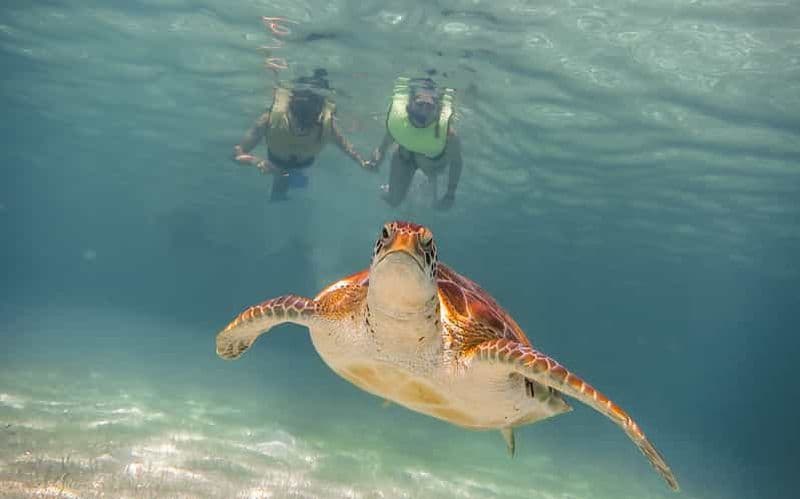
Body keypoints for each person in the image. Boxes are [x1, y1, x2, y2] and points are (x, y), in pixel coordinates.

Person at [232, 69, 373, 201]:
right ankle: (282, 186)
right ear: (293, 102)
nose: (308, 112)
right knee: (282, 177)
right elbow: (238, 154)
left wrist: (363, 163)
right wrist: (258, 162)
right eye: (304, 105)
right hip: (278, 161)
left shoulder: (326, 126)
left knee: (285, 176)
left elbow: (347, 148)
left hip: (301, 163)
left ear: (320, 107)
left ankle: (285, 182)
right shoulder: (269, 120)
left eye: (314, 105)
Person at [366, 78, 463, 210]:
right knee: (393, 201)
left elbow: (456, 163)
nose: (424, 110)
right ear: (408, 105)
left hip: (432, 168)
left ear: (437, 111)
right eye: (420, 104)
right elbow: (383, 147)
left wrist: (450, 194)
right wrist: (376, 161)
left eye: (429, 106)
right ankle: (394, 189)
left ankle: (408, 187)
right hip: (405, 158)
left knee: (432, 208)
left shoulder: (448, 134)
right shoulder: (398, 124)